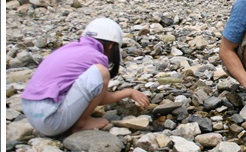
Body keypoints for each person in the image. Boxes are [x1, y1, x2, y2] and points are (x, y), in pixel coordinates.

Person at [21, 17, 150, 137]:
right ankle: (81, 124)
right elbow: (99, 97)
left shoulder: (68, 49)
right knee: (102, 72)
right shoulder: (97, 56)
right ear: (111, 46)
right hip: (51, 121)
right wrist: (129, 92)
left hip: (31, 113)